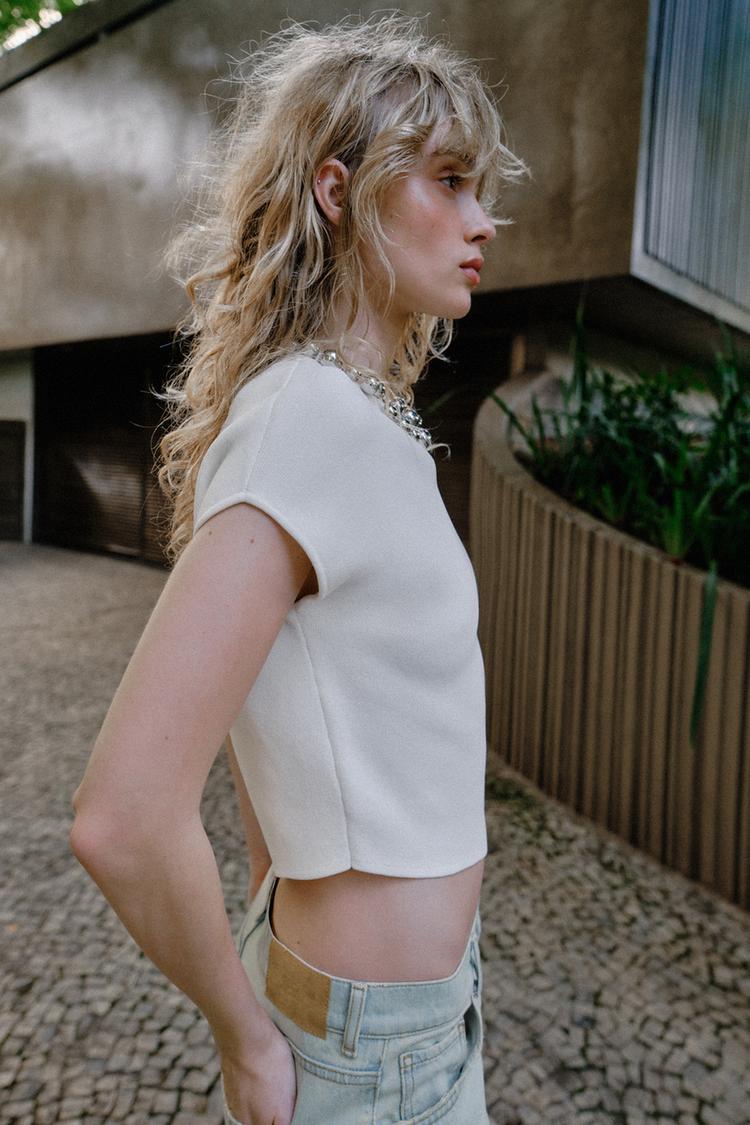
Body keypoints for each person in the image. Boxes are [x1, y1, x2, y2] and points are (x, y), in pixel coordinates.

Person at [69, 14, 527, 1124]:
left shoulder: (368, 420)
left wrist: (278, 896)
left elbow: (270, 694)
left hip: (421, 1021)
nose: (483, 220)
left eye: (479, 189)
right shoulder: (308, 421)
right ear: (337, 191)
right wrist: (248, 1040)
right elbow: (121, 817)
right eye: (449, 181)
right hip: (372, 1060)